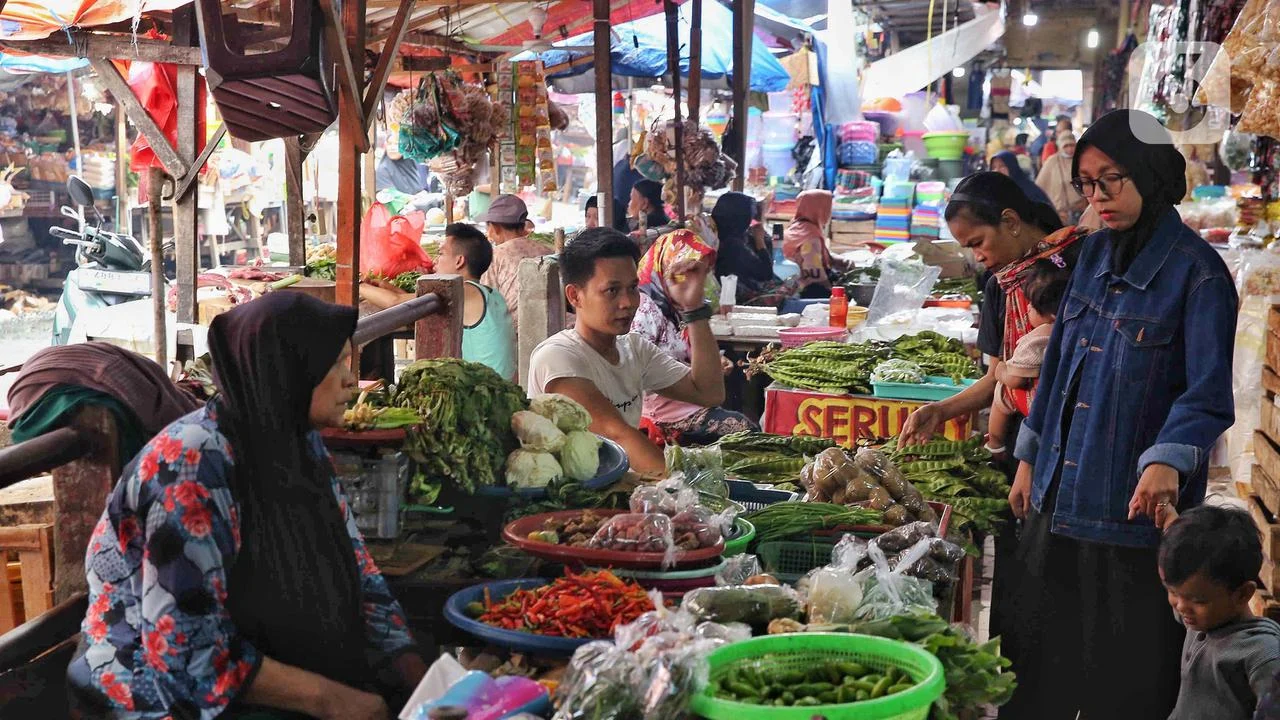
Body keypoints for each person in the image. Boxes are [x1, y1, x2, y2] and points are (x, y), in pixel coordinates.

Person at [67, 293, 427, 719]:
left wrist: (421, 680)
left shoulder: (297, 442)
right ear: (285, 372)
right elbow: (185, 652)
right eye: (335, 365)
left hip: (250, 668)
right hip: (158, 695)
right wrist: (330, 700)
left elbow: (357, 569)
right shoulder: (192, 466)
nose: (352, 380)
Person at [1006, 109, 1238, 719]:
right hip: (1057, 500)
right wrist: (1029, 458)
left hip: (1129, 515)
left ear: (1151, 174)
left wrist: (1166, 459)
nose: (1098, 197)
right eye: (1087, 183)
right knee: (1040, 669)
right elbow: (1057, 368)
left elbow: (1208, 393)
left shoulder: (1199, 276)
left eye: (1113, 179)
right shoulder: (1090, 257)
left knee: (1126, 681)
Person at [527, 227, 726, 473]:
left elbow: (708, 392)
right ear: (575, 296)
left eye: (632, 288)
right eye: (612, 290)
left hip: (624, 487)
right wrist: (682, 490)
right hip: (576, 501)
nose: (628, 302)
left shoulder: (634, 349)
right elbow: (616, 435)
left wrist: (694, 309)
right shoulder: (559, 356)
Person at [631, 229, 759, 445]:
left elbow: (687, 350)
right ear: (665, 268)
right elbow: (639, 375)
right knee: (744, 430)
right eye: (683, 273)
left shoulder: (677, 306)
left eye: (698, 273)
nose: (693, 281)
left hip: (692, 401)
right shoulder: (644, 312)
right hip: (665, 414)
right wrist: (693, 373)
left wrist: (714, 361)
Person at [1160, 505, 1280, 719]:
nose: (1180, 606)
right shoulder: (1203, 617)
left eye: (1196, 600)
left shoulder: (1262, 654)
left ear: (1243, 594)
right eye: (1173, 593)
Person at [359, 224, 517, 381]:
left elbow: (395, 303)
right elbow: (414, 303)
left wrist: (357, 285)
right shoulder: (487, 293)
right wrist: (386, 287)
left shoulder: (463, 290)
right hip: (498, 386)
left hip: (487, 393)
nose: (435, 261)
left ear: (459, 261)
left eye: (441, 254)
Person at [987, 259, 1066, 460]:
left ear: (1052, 315)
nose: (1027, 309)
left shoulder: (1038, 338)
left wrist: (1001, 370)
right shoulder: (1069, 331)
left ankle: (995, 442)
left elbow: (1016, 380)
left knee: (1003, 393)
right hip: (1055, 401)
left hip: (1034, 405)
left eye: (1032, 305)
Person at [476, 194, 548, 336]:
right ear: (523, 226)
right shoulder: (546, 250)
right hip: (553, 326)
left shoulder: (495, 255)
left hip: (516, 333)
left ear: (495, 228)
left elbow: (487, 305)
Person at [711, 192, 776, 301]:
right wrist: (760, 241)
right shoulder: (732, 246)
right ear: (741, 217)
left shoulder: (720, 236)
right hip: (745, 301)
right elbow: (766, 273)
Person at [782, 190, 834, 298]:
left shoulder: (798, 226)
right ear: (821, 209)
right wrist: (833, 290)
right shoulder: (810, 237)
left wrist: (841, 262)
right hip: (801, 290)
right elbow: (816, 274)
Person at [1036, 132, 1088, 225]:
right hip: (1060, 214)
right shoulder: (1052, 162)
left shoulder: (1081, 160)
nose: (1070, 149)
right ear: (1060, 146)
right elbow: (1040, 186)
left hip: (1081, 211)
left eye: (1072, 145)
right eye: (1066, 146)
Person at [628, 179, 673, 247]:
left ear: (645, 203)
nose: (629, 204)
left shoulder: (644, 226)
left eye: (631, 199)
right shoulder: (664, 218)